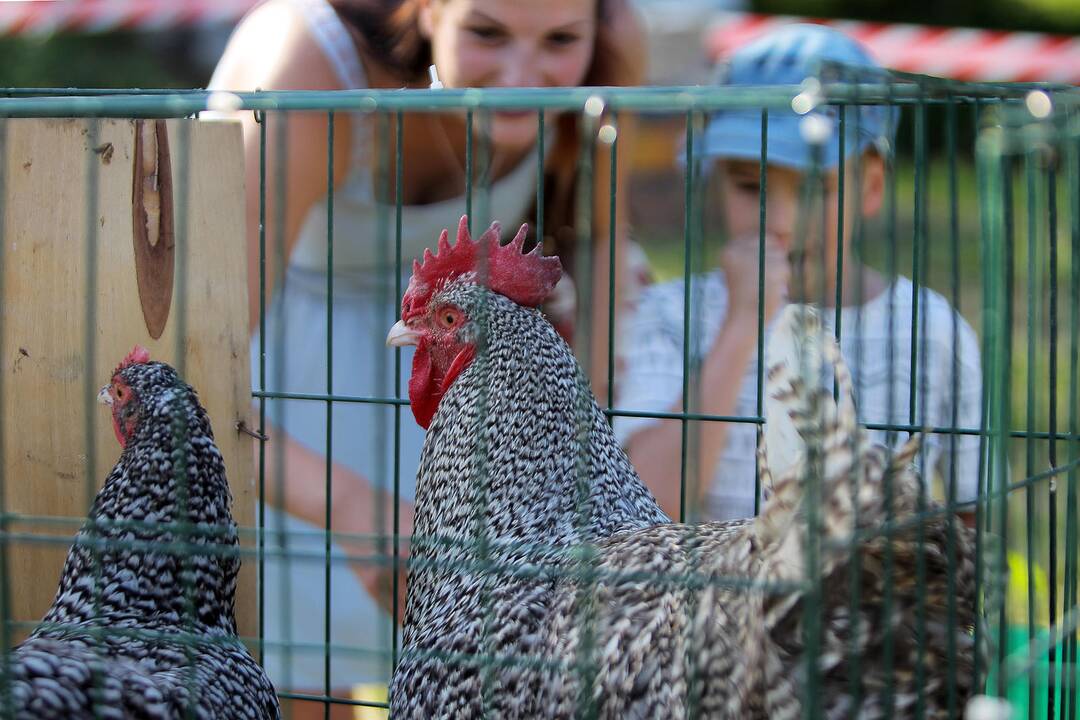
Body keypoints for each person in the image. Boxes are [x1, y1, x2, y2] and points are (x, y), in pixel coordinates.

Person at [205, 0, 647, 715]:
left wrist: (574, 436)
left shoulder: (615, 46)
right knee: (304, 672)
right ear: (433, 8)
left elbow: (601, 245)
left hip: (457, 380)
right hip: (278, 381)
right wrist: (351, 503)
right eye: (486, 33)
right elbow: (201, 354)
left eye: (561, 39)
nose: (520, 74)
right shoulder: (313, 70)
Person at [614, 24, 983, 525]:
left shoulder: (930, 331)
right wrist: (741, 326)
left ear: (871, 187)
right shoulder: (671, 316)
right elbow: (645, 503)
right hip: (712, 600)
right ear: (717, 182)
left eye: (814, 188)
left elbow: (973, 516)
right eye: (750, 186)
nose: (781, 222)